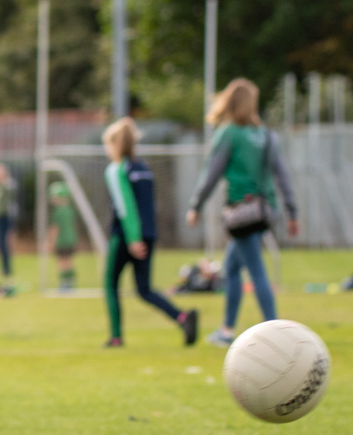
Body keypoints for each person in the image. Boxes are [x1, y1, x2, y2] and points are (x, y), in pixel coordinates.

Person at [186, 78, 299, 347]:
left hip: (241, 211)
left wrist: (196, 205)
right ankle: (226, 330)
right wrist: (292, 211)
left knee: (255, 269)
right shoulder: (266, 135)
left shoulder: (229, 133)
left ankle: (274, 329)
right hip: (265, 209)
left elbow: (211, 173)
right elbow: (282, 176)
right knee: (232, 268)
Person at [101, 118, 198, 348]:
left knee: (110, 283)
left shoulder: (116, 170)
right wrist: (145, 235)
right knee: (144, 289)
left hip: (126, 235)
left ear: (115, 144)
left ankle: (116, 337)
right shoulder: (144, 168)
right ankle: (182, 317)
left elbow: (126, 207)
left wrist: (133, 239)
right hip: (149, 233)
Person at [47, 181, 78, 291]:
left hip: (62, 240)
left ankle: (64, 284)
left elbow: (55, 229)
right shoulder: (70, 210)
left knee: (61, 262)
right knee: (69, 260)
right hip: (71, 239)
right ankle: (71, 281)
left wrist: (51, 242)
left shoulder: (58, 211)